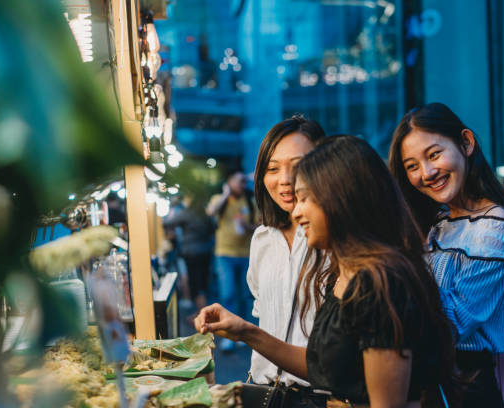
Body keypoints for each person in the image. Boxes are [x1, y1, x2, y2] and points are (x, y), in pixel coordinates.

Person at [196, 135, 458, 408]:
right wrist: (246, 332)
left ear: (343, 198)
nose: (296, 212)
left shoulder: (380, 283)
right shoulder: (347, 272)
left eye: (306, 198)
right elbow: (321, 366)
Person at [388, 102, 504, 407]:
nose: (427, 173)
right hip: (436, 377)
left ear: (466, 143)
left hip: (469, 383)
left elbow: (455, 321)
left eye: (433, 155)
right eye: (412, 166)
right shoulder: (440, 223)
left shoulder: (495, 228)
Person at [247, 116, 326, 403]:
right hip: (265, 392)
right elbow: (264, 310)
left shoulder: (336, 240)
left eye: (298, 165)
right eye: (272, 168)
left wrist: (244, 333)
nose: (284, 180)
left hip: (320, 396)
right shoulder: (262, 240)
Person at [206, 169, 258, 350]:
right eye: (238, 181)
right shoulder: (219, 201)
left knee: (246, 295)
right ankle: (229, 334)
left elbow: (259, 226)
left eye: (244, 182)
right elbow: (211, 212)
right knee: (228, 294)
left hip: (246, 254)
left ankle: (244, 332)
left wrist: (248, 226)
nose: (242, 185)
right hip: (224, 254)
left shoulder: (250, 202)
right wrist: (226, 194)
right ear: (229, 183)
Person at [163, 193, 215, 320]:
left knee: (196, 285)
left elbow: (167, 223)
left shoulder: (187, 213)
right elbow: (214, 227)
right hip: (206, 252)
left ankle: (201, 315)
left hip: (191, 254)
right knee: (203, 283)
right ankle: (203, 313)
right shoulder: (205, 215)